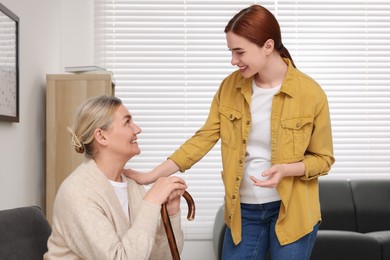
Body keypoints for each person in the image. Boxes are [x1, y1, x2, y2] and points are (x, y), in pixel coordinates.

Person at [125, 4, 335, 260]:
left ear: (268, 46)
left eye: (239, 52)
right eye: (231, 52)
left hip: (293, 212)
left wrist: (286, 170)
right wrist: (151, 175)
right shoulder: (230, 88)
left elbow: (323, 160)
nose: (233, 60)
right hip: (244, 213)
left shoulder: (310, 93)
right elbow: (202, 139)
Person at [44, 95, 187, 260]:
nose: (137, 129)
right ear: (101, 137)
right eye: (127, 122)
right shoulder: (78, 192)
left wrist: (170, 213)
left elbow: (159, 257)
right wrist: (152, 201)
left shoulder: (132, 186)